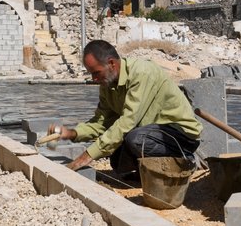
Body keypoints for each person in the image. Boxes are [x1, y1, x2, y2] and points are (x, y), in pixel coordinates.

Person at [49, 39, 202, 177]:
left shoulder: (142, 73)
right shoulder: (107, 84)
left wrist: (87, 155)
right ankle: (150, 172)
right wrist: (72, 133)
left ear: (111, 64)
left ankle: (184, 160)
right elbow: (101, 122)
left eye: (96, 73)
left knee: (135, 139)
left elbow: (128, 122)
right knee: (117, 162)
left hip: (180, 135)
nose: (94, 79)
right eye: (91, 74)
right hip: (151, 133)